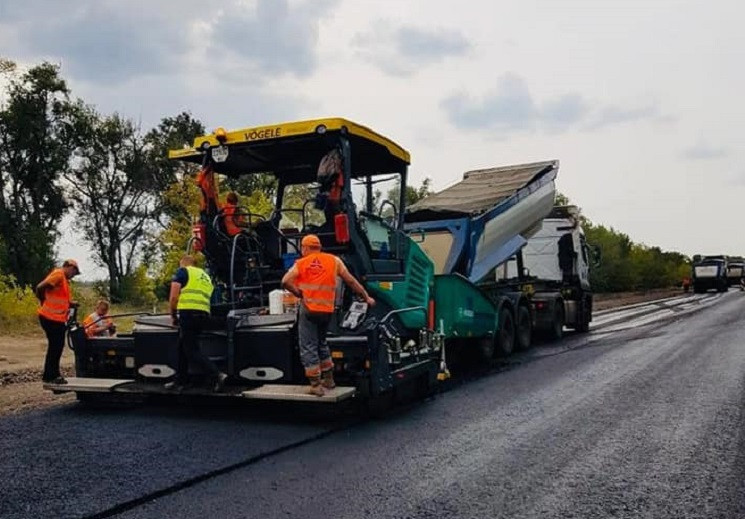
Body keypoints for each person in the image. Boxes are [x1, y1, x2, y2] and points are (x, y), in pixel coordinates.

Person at [281, 234, 376, 396]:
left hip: (309, 309)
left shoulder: (301, 263)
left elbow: (285, 281)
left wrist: (299, 293)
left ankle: (316, 385)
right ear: (319, 247)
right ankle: (329, 379)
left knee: (308, 345)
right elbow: (351, 281)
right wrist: (366, 297)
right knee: (322, 342)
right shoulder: (334, 261)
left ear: (305, 248)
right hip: (327, 311)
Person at [165, 255, 228, 392]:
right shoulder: (206, 277)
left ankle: (217, 374)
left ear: (183, 263)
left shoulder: (183, 271)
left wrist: (173, 316)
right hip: (203, 315)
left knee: (191, 350)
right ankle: (180, 381)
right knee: (182, 347)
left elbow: (174, 296)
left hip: (188, 314)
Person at [35, 259, 80, 384]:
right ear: (68, 266)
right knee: (56, 347)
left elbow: (58, 297)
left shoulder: (64, 281)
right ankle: (51, 376)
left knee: (56, 346)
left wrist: (71, 304)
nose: (73, 275)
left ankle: (50, 375)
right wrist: (42, 301)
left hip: (56, 318)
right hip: (51, 317)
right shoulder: (59, 274)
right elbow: (40, 287)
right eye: (74, 271)